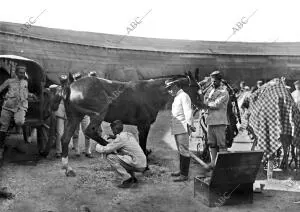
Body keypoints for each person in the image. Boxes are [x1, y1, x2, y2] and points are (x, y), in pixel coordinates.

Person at [96, 120, 147, 188]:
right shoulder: (128, 134)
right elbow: (123, 141)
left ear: (116, 129)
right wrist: (115, 137)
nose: (113, 132)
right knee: (123, 156)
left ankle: (127, 179)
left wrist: (97, 146)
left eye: (113, 130)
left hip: (137, 164)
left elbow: (106, 149)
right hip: (143, 163)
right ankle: (133, 178)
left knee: (110, 157)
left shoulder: (120, 138)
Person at [0, 65, 37, 159]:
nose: (22, 74)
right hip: (8, 107)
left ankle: (13, 122)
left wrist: (31, 95)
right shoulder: (9, 81)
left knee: (19, 122)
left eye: (24, 72)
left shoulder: (25, 82)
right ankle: (0, 149)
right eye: (20, 72)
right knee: (3, 127)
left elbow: (25, 93)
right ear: (16, 73)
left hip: (21, 107)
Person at [165, 78, 195, 182]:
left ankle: (184, 175)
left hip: (183, 127)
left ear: (175, 86)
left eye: (169, 89)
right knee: (180, 150)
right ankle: (181, 171)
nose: (169, 91)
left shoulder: (184, 96)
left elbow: (188, 111)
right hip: (177, 126)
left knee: (184, 151)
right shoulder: (177, 97)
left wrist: (190, 125)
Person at [203, 71, 229, 167]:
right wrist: (206, 102)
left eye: (215, 81)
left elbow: (216, 104)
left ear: (220, 81)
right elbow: (205, 100)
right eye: (212, 81)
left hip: (219, 122)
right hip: (210, 121)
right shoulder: (210, 91)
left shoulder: (224, 92)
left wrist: (206, 104)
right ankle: (213, 163)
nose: (213, 83)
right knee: (212, 143)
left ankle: (222, 165)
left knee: (221, 144)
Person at [71, 72, 93, 158]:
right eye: (76, 79)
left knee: (87, 132)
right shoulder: (72, 89)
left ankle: (88, 150)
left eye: (79, 78)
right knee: (75, 133)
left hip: (84, 114)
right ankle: (76, 150)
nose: (78, 80)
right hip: (76, 114)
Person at [51, 74, 68, 158]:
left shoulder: (70, 89)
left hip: (68, 113)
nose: (64, 83)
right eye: (62, 82)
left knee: (67, 132)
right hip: (60, 112)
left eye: (65, 82)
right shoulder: (58, 89)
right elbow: (56, 99)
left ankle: (65, 150)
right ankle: (58, 151)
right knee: (60, 133)